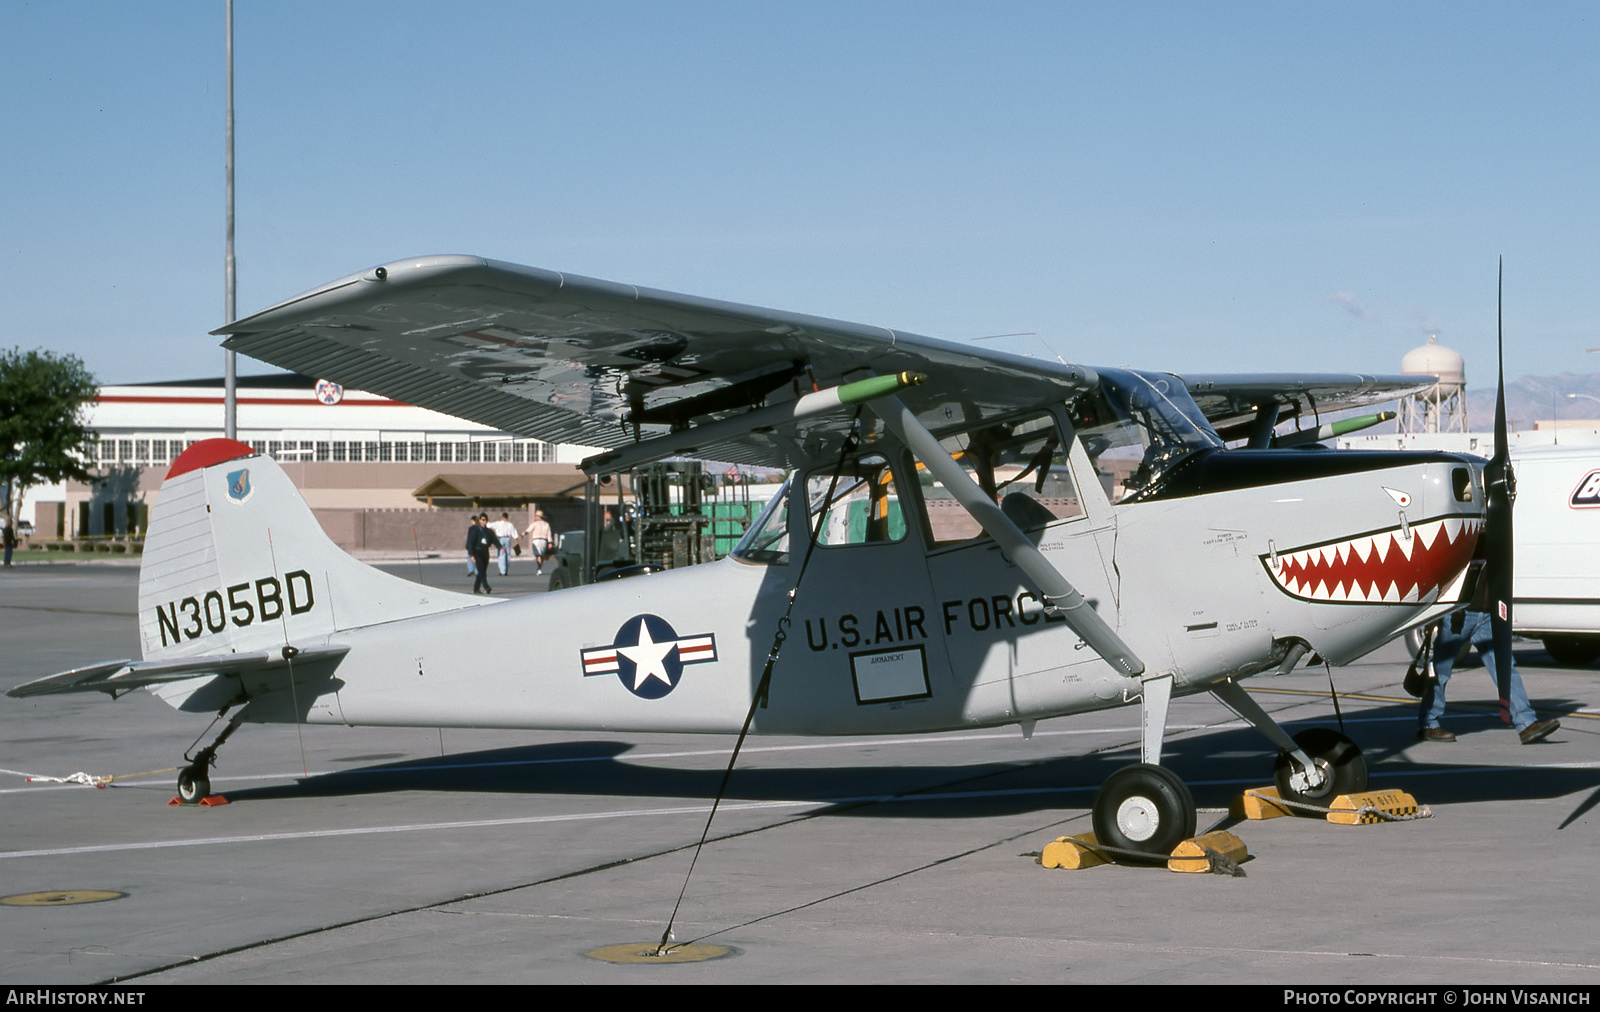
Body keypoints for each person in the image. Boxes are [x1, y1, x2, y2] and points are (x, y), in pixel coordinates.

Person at [1418, 607, 1560, 744]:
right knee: (1440, 670)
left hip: (1487, 614)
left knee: (1505, 667)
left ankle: (1526, 722)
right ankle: (1429, 723)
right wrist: (1434, 616)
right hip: (1458, 615)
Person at [466, 514, 500, 594]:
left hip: (485, 552)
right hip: (477, 552)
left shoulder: (489, 532)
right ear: (480, 520)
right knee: (481, 570)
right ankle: (486, 586)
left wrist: (500, 547)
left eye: (485, 520)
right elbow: (471, 542)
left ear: (487, 521)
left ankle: (476, 588)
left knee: (482, 571)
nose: (483, 521)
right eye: (482, 519)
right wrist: (471, 554)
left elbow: (494, 540)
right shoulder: (475, 530)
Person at [490, 512, 519, 577]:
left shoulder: (498, 523)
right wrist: (516, 541)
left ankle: (502, 571)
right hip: (508, 539)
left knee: (501, 554)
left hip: (500, 539)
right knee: (507, 554)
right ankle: (506, 570)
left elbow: (489, 525)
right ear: (507, 517)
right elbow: (514, 533)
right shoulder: (510, 525)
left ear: (502, 517)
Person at [527, 508, 552, 575]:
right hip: (543, 541)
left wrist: (523, 534)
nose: (535, 517)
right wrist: (550, 542)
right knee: (541, 555)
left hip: (536, 540)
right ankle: (540, 567)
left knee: (538, 555)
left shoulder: (534, 524)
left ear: (538, 517)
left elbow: (528, 530)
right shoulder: (546, 524)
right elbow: (549, 534)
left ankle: (539, 568)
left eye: (536, 516)